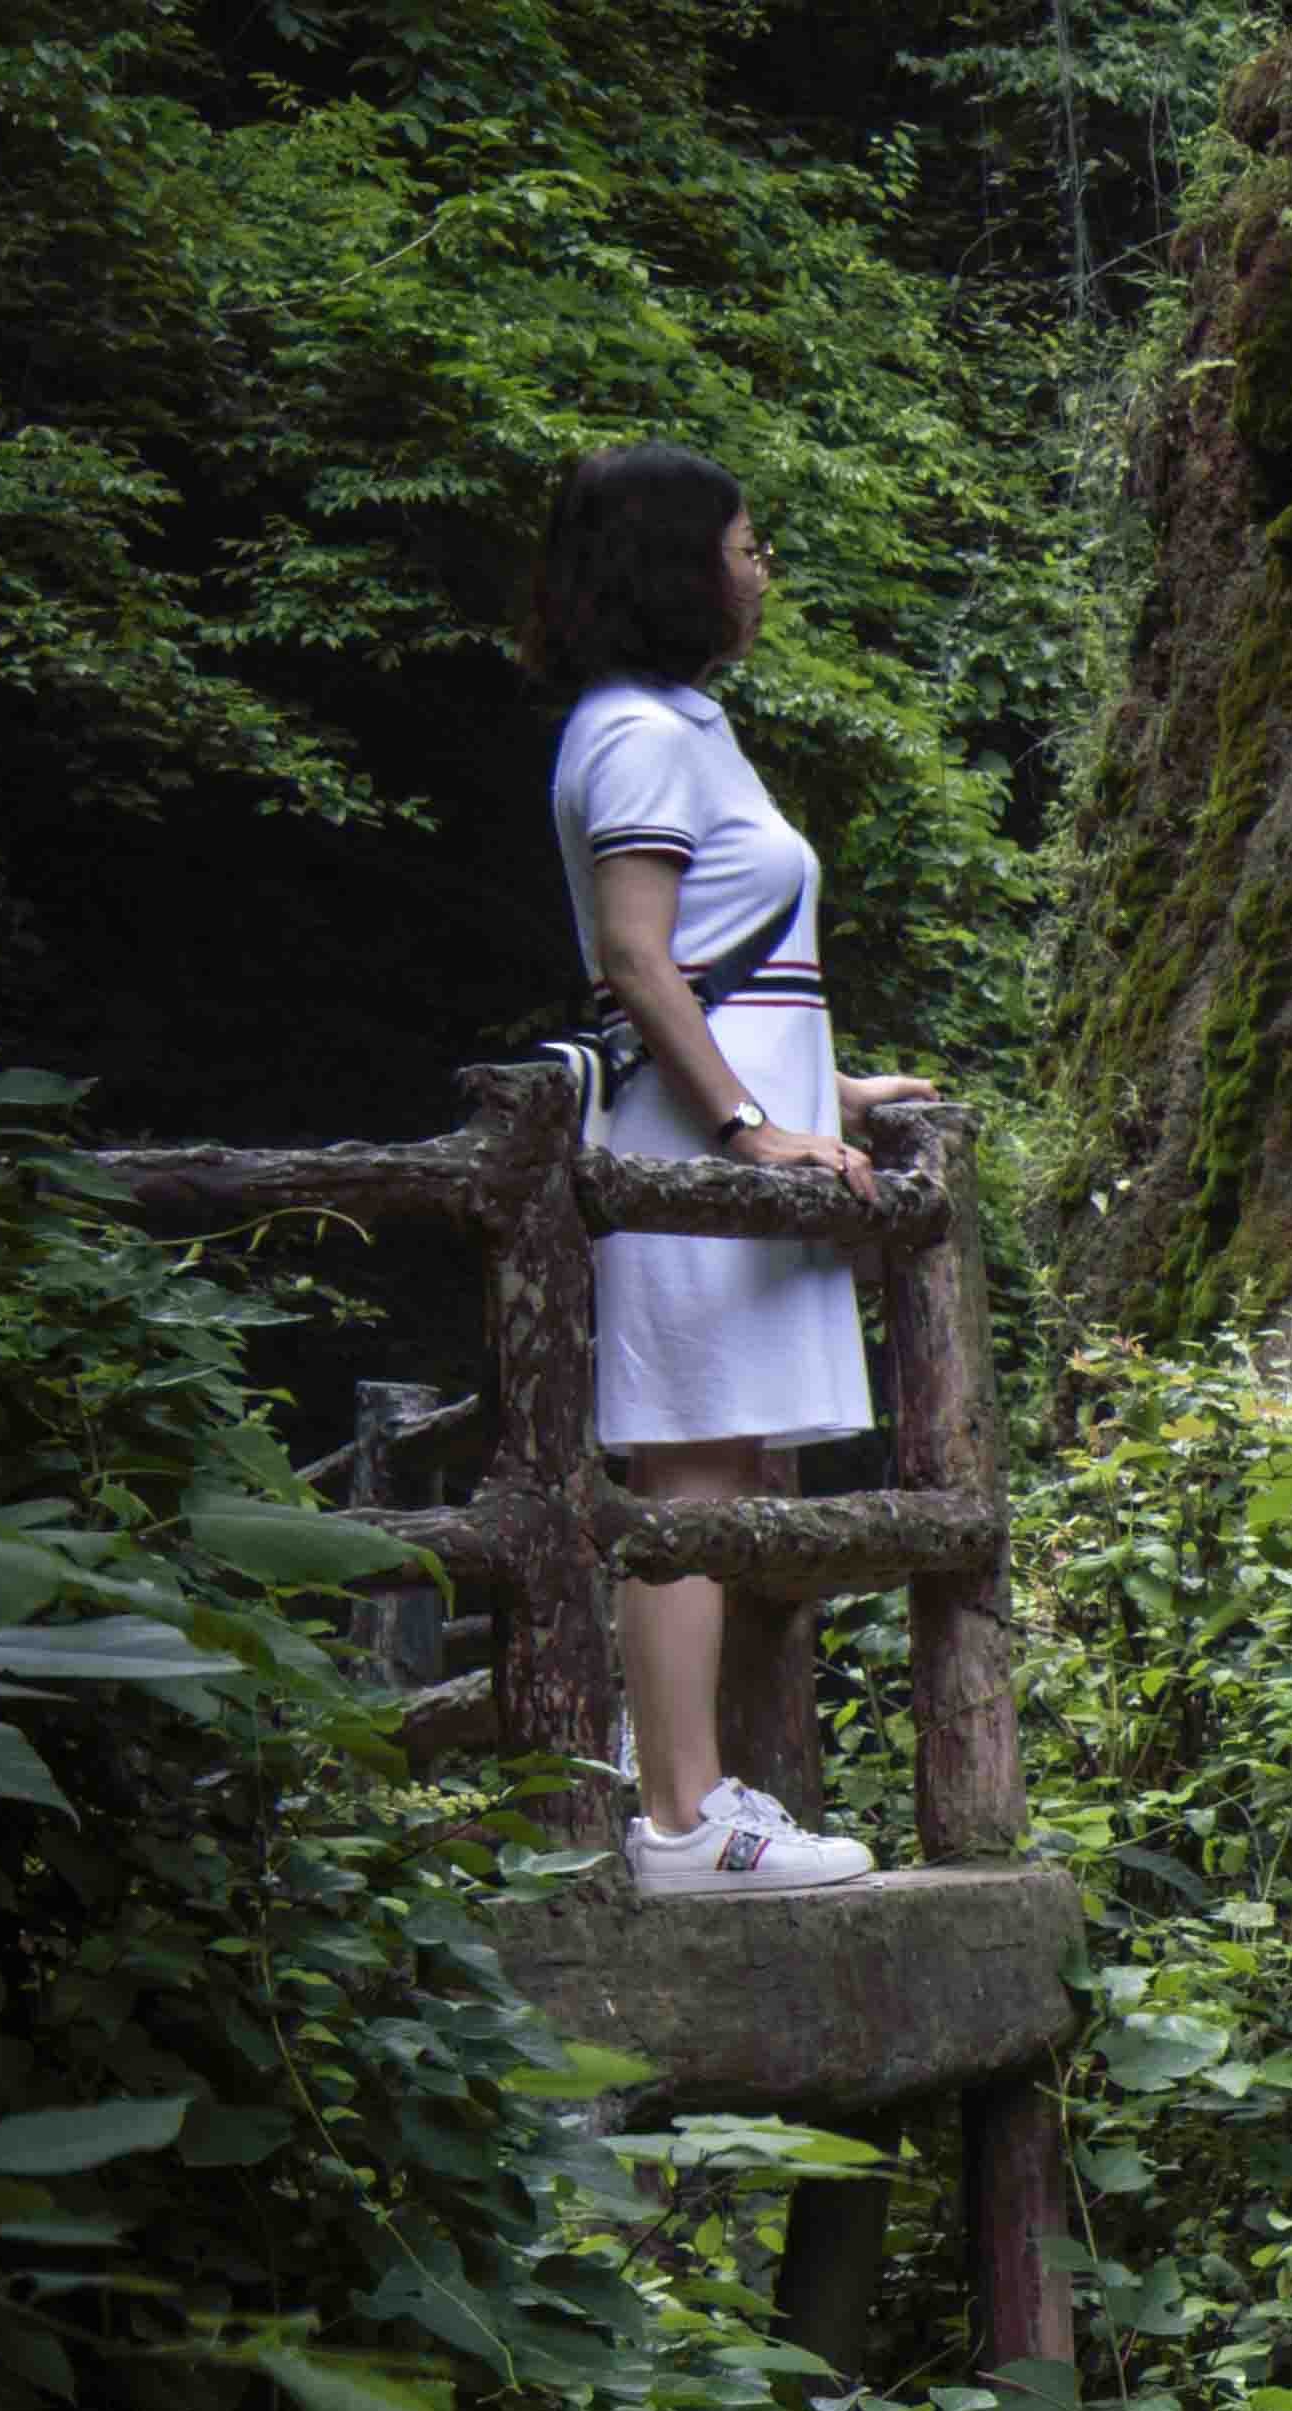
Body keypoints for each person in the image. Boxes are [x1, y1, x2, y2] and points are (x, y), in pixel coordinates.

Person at [532, 440, 933, 1900]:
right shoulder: (635, 733)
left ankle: (704, 1799)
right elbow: (638, 963)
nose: (762, 566)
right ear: (675, 567)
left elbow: (727, 965)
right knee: (695, 1472)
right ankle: (684, 1823)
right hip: (689, 1159)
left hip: (721, 1134)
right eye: (745, 541)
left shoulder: (685, 726)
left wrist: (826, 1089)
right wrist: (749, 1131)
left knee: (735, 1465)